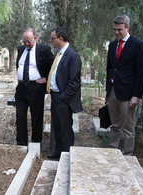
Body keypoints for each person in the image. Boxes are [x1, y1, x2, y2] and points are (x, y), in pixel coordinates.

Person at [106, 15, 143, 156]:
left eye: (119, 30)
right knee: (115, 124)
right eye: (114, 30)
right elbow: (110, 69)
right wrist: (107, 91)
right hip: (112, 91)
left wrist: (137, 95)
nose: (116, 32)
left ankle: (128, 154)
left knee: (128, 127)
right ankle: (112, 150)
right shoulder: (112, 45)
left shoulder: (138, 45)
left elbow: (141, 73)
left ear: (127, 27)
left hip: (128, 93)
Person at [47, 26, 83, 159]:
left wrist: (64, 98)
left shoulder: (72, 56)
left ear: (60, 39)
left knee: (65, 128)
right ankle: (58, 152)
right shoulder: (60, 54)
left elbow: (74, 81)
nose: (50, 41)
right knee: (57, 126)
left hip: (63, 99)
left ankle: (67, 154)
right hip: (55, 96)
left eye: (52, 38)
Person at [15, 27, 54, 146]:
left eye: (29, 41)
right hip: (21, 87)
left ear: (35, 38)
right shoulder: (21, 49)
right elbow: (19, 65)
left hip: (35, 87)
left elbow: (54, 66)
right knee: (20, 116)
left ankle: (36, 143)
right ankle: (21, 143)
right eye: (24, 41)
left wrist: (46, 79)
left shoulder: (44, 49)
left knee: (36, 116)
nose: (26, 44)